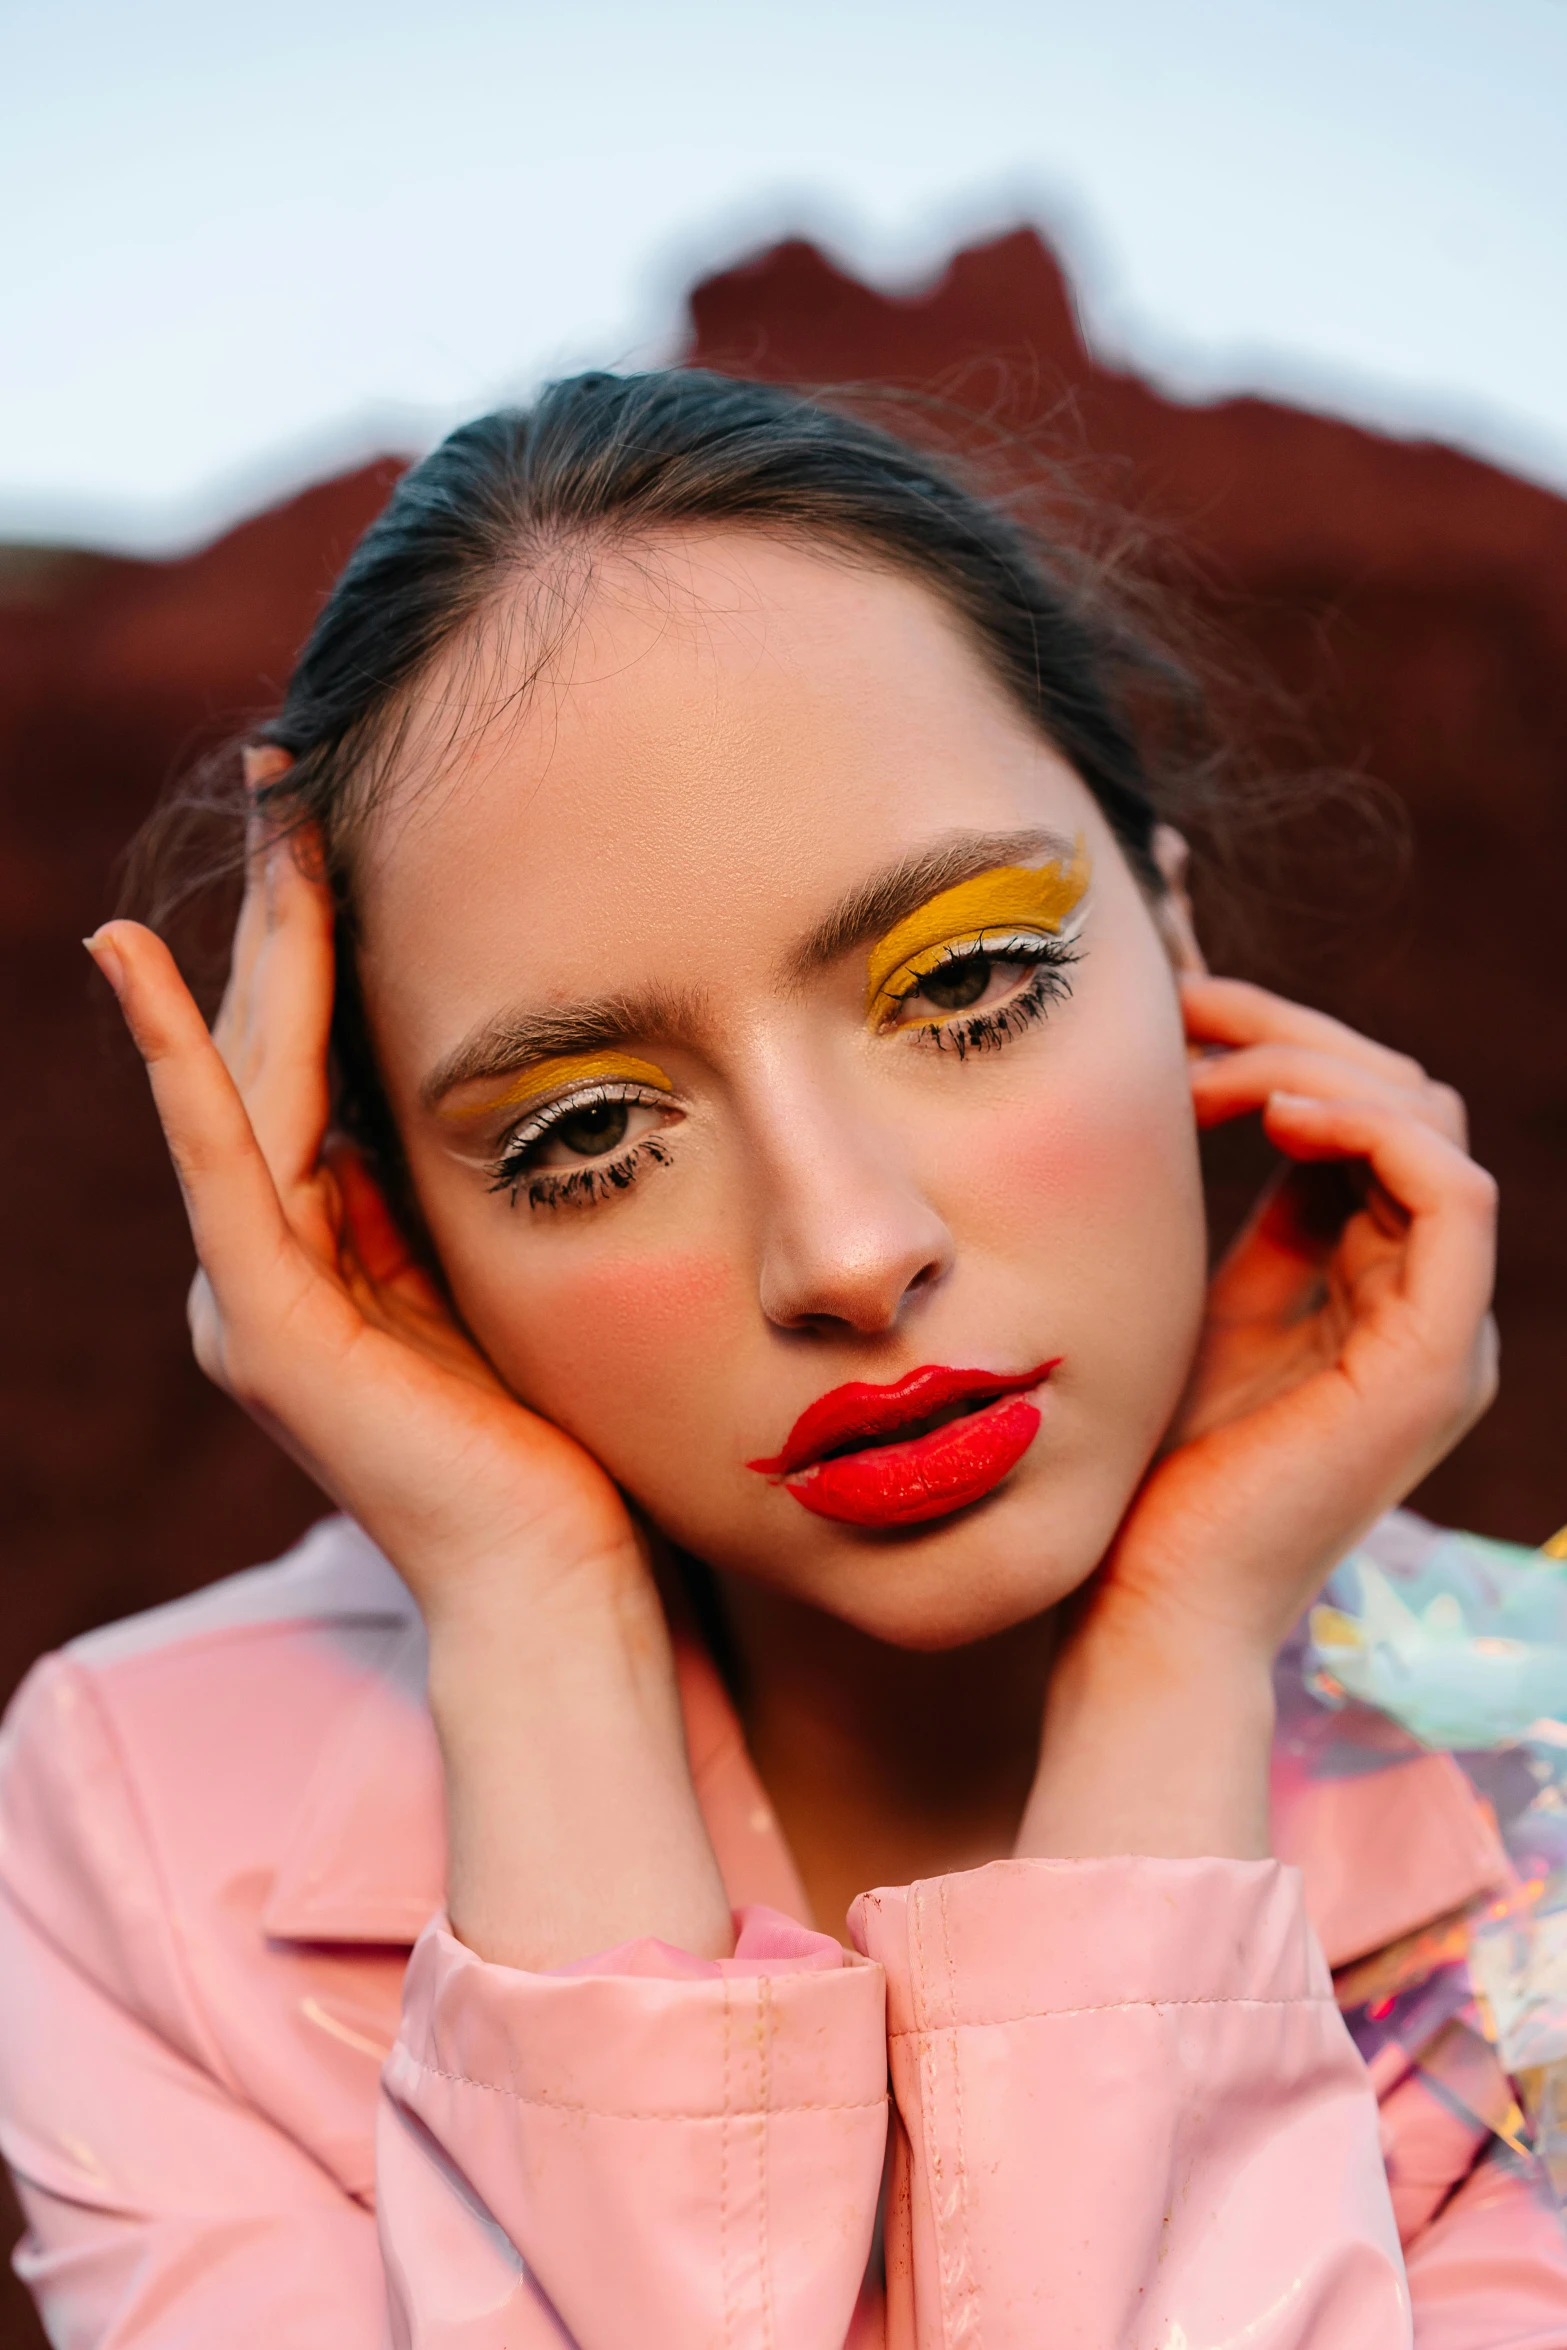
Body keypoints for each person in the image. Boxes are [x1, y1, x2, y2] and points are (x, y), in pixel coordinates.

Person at [0, 370, 1560, 2348]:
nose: (844, 1249)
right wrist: (531, 1623)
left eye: (973, 986)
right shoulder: (145, 1809)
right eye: (580, 1136)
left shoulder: (1556, 1803)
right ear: (382, 1220)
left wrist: (1179, 1656)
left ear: (1170, 938)